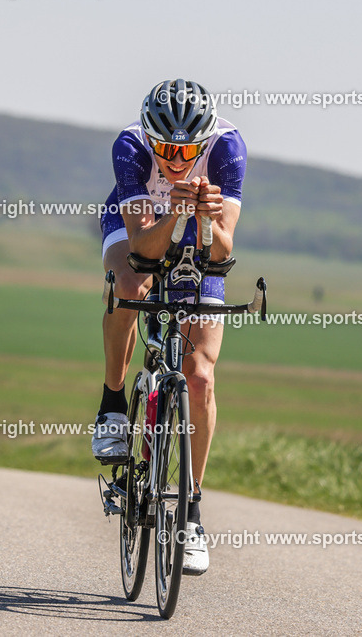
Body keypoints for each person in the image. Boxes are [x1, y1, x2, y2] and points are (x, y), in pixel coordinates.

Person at [92, 79, 247, 575]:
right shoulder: (131, 146)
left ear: (202, 142)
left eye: (185, 150)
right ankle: (114, 401)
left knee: (200, 377)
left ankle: (192, 513)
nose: (176, 159)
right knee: (130, 285)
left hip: (197, 230)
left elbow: (222, 252)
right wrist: (177, 208)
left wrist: (205, 221)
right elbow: (142, 248)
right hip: (138, 224)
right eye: (166, 148)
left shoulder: (228, 148)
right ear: (150, 138)